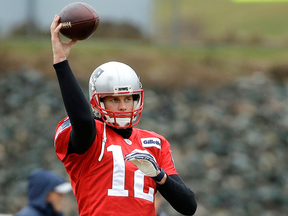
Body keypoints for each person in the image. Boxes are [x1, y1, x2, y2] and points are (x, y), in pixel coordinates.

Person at [50, 14, 197, 216]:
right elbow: (82, 120)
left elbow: (189, 206)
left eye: (128, 99)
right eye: (114, 100)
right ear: (97, 102)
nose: (123, 106)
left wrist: (159, 176)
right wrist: (61, 61)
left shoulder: (155, 143)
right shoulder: (92, 136)